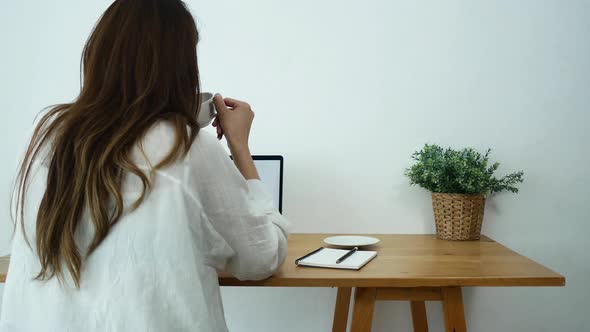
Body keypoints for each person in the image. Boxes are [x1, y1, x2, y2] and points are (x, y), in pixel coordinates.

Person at [0, 0, 289, 331]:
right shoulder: (186, 145)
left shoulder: (43, 136)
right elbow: (261, 258)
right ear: (179, 69)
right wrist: (240, 146)